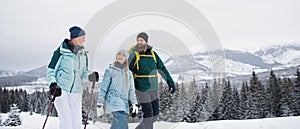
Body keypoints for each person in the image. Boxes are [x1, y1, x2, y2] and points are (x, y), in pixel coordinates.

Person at [47, 26, 99, 129]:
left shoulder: (83, 54)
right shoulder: (61, 52)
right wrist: (53, 84)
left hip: (76, 90)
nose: (84, 40)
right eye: (82, 37)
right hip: (61, 89)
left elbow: (84, 72)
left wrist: (90, 76)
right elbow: (51, 69)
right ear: (75, 38)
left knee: (76, 121)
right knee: (66, 121)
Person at [128, 32, 176, 129]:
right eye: (137, 40)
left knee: (155, 114)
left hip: (153, 88)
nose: (139, 42)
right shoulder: (134, 55)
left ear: (146, 41)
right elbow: (127, 74)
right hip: (141, 88)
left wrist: (171, 83)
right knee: (148, 114)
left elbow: (162, 69)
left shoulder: (153, 54)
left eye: (141, 40)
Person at [97, 49, 139, 129]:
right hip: (113, 100)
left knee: (116, 124)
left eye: (123, 55)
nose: (121, 56)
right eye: (119, 54)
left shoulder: (129, 73)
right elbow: (103, 88)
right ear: (116, 56)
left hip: (124, 102)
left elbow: (131, 89)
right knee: (122, 121)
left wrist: (134, 103)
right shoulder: (110, 71)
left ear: (126, 58)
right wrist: (100, 103)